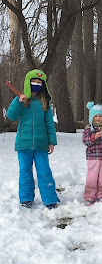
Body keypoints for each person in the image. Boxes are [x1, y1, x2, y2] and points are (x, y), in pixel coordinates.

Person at [6, 69, 60, 209]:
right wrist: (19, 102)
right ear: (28, 83)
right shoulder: (21, 100)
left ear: (43, 85)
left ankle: (49, 199)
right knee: (25, 171)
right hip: (24, 143)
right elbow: (11, 116)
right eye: (33, 81)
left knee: (44, 171)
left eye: (39, 82)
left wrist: (51, 141)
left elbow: (49, 123)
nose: (36, 84)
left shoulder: (45, 103)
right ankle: (26, 198)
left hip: (41, 144)